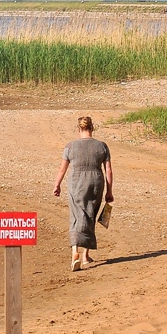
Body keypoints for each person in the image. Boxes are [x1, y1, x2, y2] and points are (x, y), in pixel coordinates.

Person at [52, 115, 113, 272]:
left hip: (76, 182)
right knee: (90, 214)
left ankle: (75, 252)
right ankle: (86, 255)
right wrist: (109, 191)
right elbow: (108, 171)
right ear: (92, 128)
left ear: (78, 129)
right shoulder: (102, 146)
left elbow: (62, 169)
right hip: (96, 181)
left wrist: (57, 185)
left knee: (76, 216)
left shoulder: (71, 146)